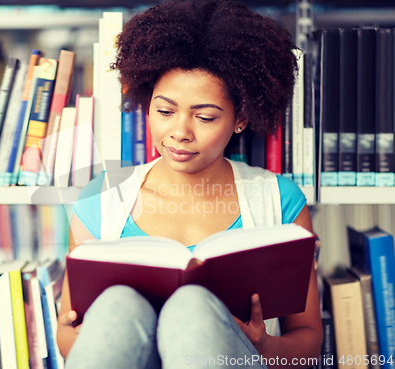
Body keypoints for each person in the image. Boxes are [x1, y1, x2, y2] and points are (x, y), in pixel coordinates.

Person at [57, 0, 323, 367]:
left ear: (240, 118)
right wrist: (94, 331)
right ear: (146, 104)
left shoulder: (280, 203)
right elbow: (67, 334)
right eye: (165, 111)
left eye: (206, 116)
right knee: (118, 305)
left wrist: (262, 345)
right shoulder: (100, 201)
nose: (179, 132)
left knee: (193, 307)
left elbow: (308, 343)